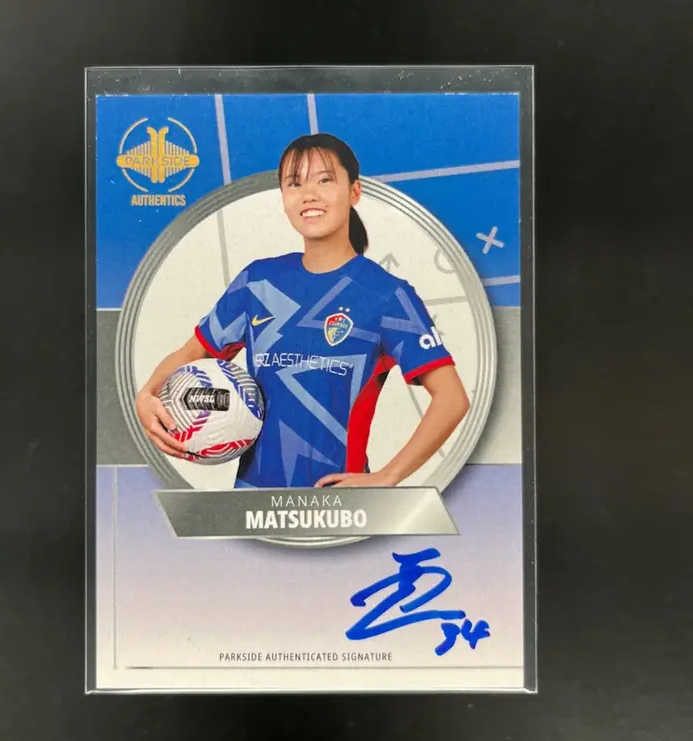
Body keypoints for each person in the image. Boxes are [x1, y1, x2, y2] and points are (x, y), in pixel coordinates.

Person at [135, 133, 470, 489]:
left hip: (338, 504)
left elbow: (452, 398)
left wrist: (388, 477)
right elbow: (193, 353)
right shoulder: (257, 282)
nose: (309, 194)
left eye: (324, 180)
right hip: (251, 504)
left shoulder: (387, 295)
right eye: (295, 183)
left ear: (354, 191)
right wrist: (147, 394)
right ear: (283, 198)